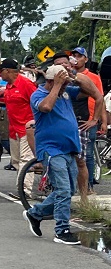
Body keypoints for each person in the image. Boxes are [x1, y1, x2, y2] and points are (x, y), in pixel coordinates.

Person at [22, 63, 106, 245]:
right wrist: (58, 86)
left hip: (69, 148)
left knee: (68, 190)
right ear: (51, 82)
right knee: (63, 190)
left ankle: (34, 214)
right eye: (62, 83)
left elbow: (91, 92)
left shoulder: (66, 93)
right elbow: (46, 108)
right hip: (52, 150)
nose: (66, 87)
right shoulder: (39, 94)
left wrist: (74, 76)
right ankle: (62, 230)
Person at [70, 46, 104, 194]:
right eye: (74, 56)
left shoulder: (94, 77)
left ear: (86, 59)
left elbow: (100, 98)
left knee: (87, 155)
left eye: (79, 56)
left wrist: (100, 120)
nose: (76, 59)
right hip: (72, 119)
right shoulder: (69, 76)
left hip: (88, 119)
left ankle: (88, 186)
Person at [0, 59, 36, 181]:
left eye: (1, 71)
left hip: (27, 129)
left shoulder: (26, 84)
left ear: (8, 71)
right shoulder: (9, 86)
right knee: (16, 160)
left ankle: (25, 191)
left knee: (26, 159)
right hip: (13, 129)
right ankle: (20, 187)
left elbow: (37, 103)